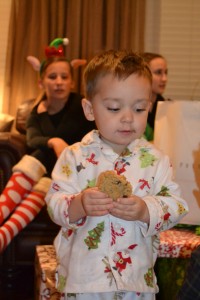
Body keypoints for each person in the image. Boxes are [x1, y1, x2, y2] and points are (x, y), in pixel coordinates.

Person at [45, 49, 188, 300]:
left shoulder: (156, 160)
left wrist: (146, 209)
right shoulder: (74, 157)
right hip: (83, 281)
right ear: (90, 110)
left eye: (139, 108)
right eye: (113, 108)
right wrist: (78, 204)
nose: (127, 118)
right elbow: (54, 205)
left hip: (136, 281)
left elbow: (176, 206)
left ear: (149, 108)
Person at [0, 38, 95, 252]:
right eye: (53, 77)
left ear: (71, 82)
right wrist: (53, 141)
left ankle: (5, 233)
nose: (59, 82)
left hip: (69, 170)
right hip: (44, 169)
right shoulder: (36, 112)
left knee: (44, 183)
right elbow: (31, 139)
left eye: (64, 77)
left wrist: (66, 148)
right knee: (35, 158)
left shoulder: (80, 106)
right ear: (42, 83)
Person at [140, 52, 168, 141]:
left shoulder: (168, 107)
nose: (164, 79)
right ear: (143, 74)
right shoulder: (132, 106)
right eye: (158, 72)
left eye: (166, 72)